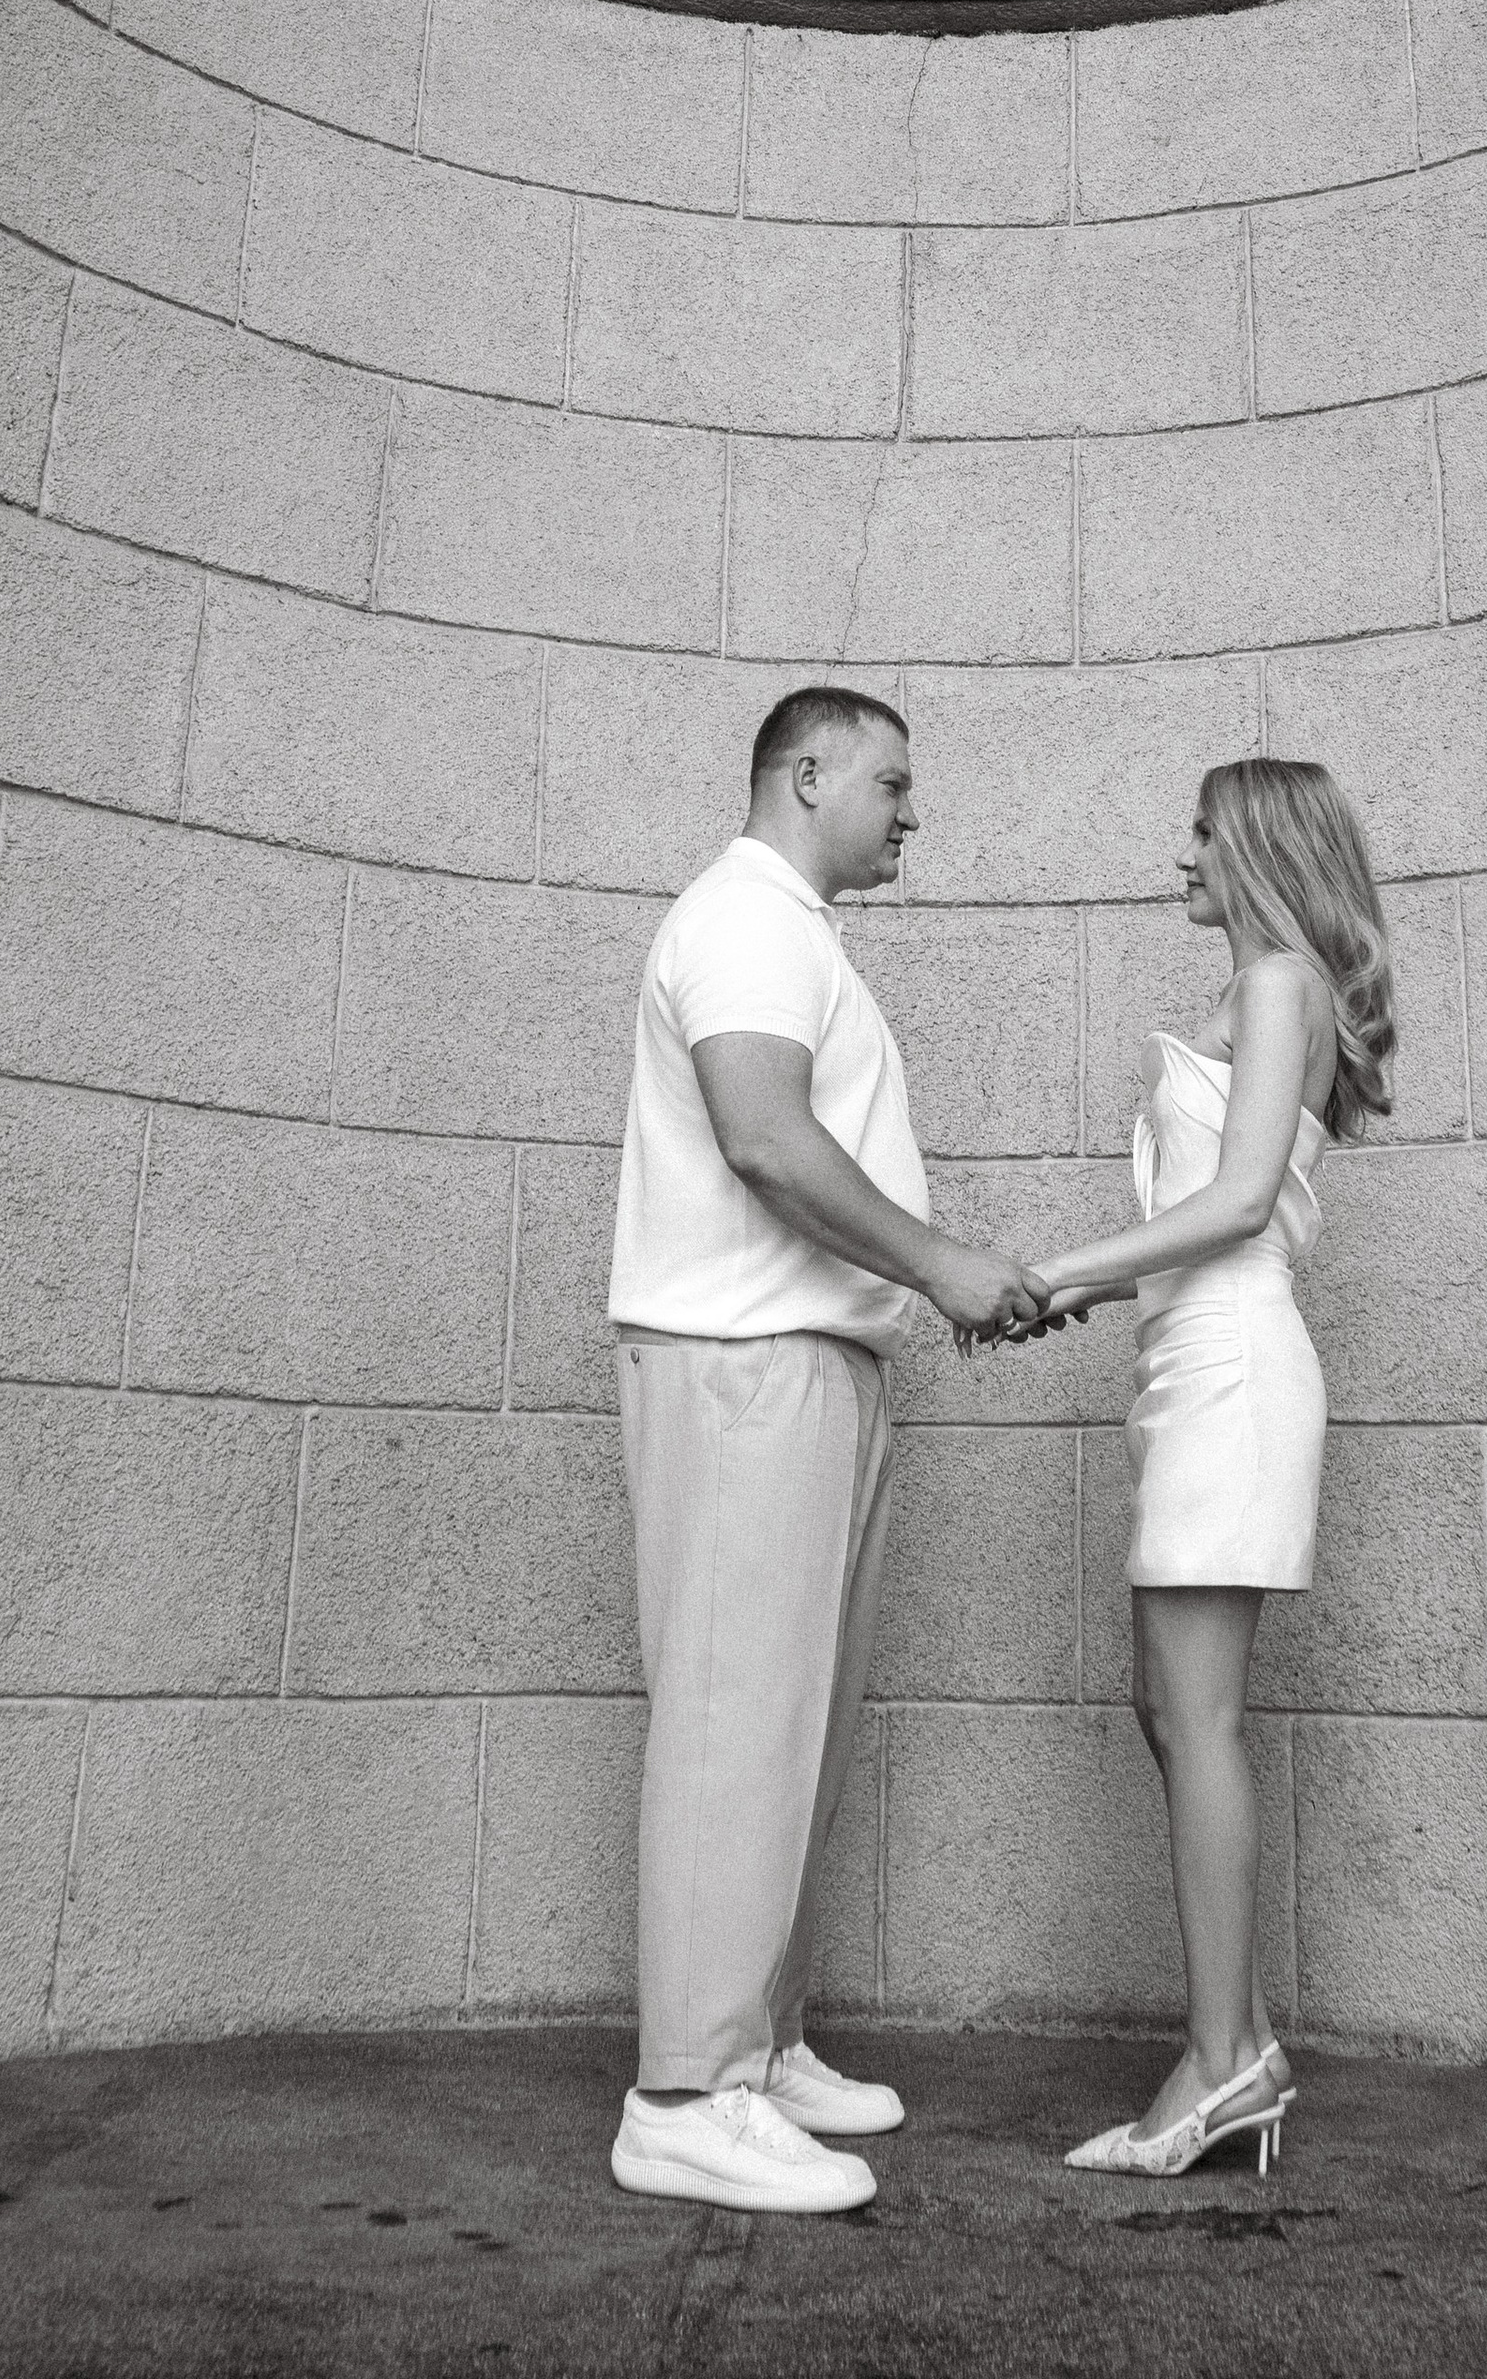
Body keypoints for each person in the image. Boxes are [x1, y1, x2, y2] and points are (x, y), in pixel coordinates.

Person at [605, 686, 1040, 2217]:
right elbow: (764, 1136)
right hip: (745, 1363)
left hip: (808, 1364)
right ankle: (683, 2098)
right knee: (737, 1721)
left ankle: (759, 2046)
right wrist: (939, 1263)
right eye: (893, 783)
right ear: (808, 774)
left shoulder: (799, 931)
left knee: (790, 1728)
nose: (913, 812)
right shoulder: (744, 916)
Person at [1018, 755, 1395, 2180]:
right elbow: (1206, 1222)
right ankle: (1232, 2049)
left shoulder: (1282, 981)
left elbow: (1237, 1206)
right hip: (1193, 1365)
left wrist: (1059, 1266)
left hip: (1235, 1373)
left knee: (1201, 1716)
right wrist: (1075, 1299)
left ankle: (1223, 2061)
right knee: (1168, 1708)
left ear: (1253, 847)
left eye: (1196, 833)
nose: (1177, 856)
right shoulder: (1258, 998)